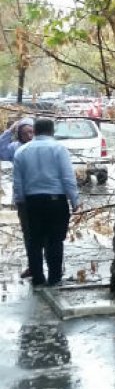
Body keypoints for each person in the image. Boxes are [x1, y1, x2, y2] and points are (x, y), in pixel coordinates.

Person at [12, 118, 81, 287]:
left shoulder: (21, 151)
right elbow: (68, 178)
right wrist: (75, 201)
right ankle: (54, 278)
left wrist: (20, 201)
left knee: (34, 241)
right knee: (55, 240)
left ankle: (38, 278)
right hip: (55, 202)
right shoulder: (59, 149)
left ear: (34, 131)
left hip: (31, 202)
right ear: (52, 131)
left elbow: (18, 182)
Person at [0, 118, 35, 279]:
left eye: (31, 131)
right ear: (19, 135)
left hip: (41, 197)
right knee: (28, 233)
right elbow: (1, 151)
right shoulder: (15, 148)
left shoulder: (40, 147)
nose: (29, 135)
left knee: (45, 235)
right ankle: (34, 266)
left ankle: (49, 267)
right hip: (24, 198)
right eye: (24, 133)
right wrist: (9, 131)